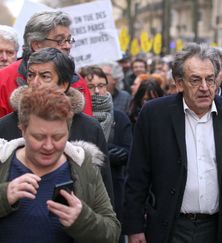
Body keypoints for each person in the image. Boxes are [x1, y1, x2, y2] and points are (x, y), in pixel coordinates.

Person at [123, 43, 222, 243]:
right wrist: (135, 228)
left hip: (221, 227)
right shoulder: (154, 114)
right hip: (170, 227)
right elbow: (137, 175)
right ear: (179, 83)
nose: (204, 87)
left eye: (210, 80)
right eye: (195, 80)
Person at [0, 86, 120, 242]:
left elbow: (112, 232)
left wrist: (82, 220)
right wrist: (3, 196)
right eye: (39, 137)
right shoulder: (3, 161)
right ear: (22, 129)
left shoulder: (83, 166)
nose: (49, 146)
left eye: (58, 137)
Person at [0, 47, 115, 204]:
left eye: (44, 76)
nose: (34, 82)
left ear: (63, 84)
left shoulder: (89, 127)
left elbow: (105, 195)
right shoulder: (5, 125)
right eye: (31, 75)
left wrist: (82, 218)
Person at [0, 11, 92, 118]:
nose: (67, 46)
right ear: (37, 44)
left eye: (69, 40)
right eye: (60, 40)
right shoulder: (4, 80)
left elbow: (86, 132)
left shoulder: (78, 82)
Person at [82, 65, 132, 243]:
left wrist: (99, 153)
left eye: (101, 85)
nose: (97, 91)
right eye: (91, 86)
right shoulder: (79, 117)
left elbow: (127, 152)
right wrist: (109, 152)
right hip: (85, 187)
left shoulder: (119, 117)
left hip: (114, 185)